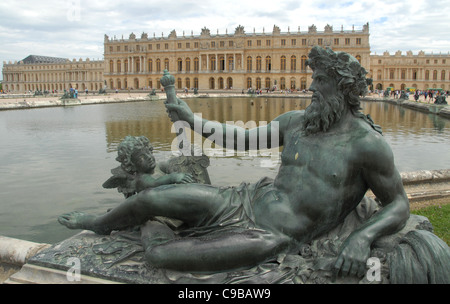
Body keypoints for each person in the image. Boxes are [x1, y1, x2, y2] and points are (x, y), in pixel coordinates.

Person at [58, 46, 410, 277]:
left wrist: (362, 237)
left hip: (273, 235)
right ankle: (101, 222)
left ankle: (160, 233)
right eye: (312, 79)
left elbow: (397, 204)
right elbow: (241, 139)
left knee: (163, 257)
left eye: (320, 81)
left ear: (343, 89)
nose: (311, 88)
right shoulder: (296, 122)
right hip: (245, 199)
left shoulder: (368, 145)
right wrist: (192, 120)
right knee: (148, 199)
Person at [102, 135, 195, 198]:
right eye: (141, 158)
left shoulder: (158, 167)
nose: (149, 157)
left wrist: (185, 158)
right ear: (132, 165)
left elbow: (171, 164)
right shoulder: (142, 179)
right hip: (161, 211)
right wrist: (172, 177)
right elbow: (154, 183)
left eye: (148, 152)